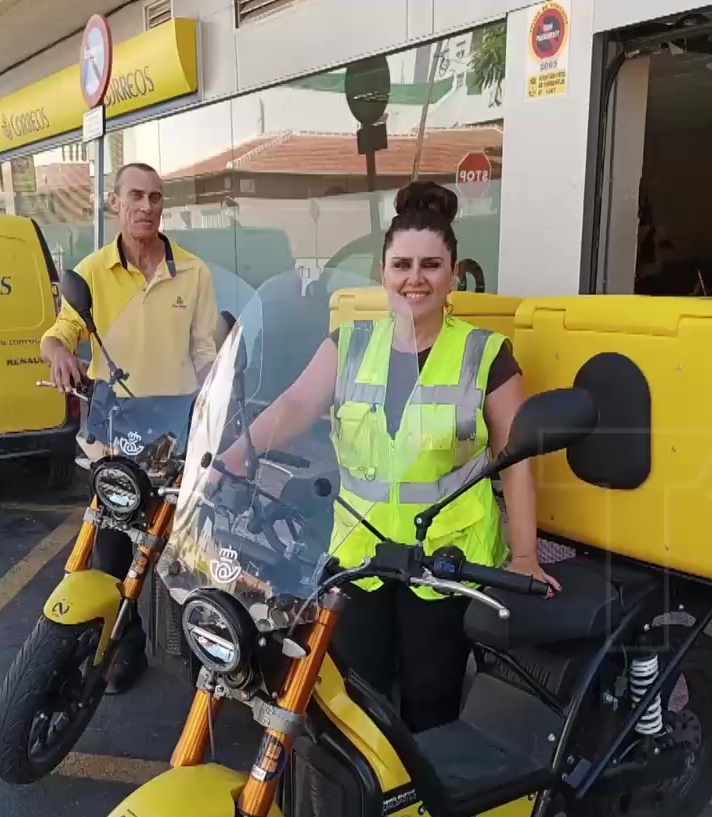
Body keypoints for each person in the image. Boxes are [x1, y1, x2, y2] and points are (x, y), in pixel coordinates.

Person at [220, 180, 558, 732]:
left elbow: (517, 458)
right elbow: (298, 403)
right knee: (358, 691)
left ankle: (424, 813)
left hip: (447, 562)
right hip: (362, 553)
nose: (415, 278)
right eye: (402, 264)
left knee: (431, 695)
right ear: (382, 272)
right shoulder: (348, 343)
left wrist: (524, 554)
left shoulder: (486, 355)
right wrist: (238, 452)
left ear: (454, 274)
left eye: (430, 265)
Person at [40, 162, 221, 693]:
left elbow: (207, 352)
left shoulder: (193, 271)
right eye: (136, 196)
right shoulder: (92, 271)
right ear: (114, 204)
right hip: (114, 431)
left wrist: (222, 405)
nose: (146, 207)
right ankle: (124, 645)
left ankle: (209, 655)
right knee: (113, 553)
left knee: (189, 554)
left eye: (156, 198)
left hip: (177, 434)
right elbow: (59, 333)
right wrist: (58, 357)